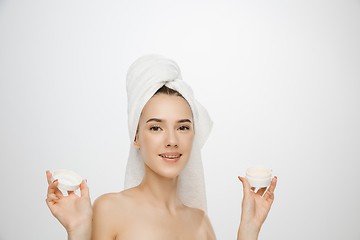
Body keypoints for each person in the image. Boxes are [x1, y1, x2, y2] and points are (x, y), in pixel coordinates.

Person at [46, 54, 277, 240]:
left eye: (183, 127)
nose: (172, 140)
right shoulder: (110, 209)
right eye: (156, 128)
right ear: (136, 138)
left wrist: (249, 228)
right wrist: (77, 231)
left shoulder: (201, 224)